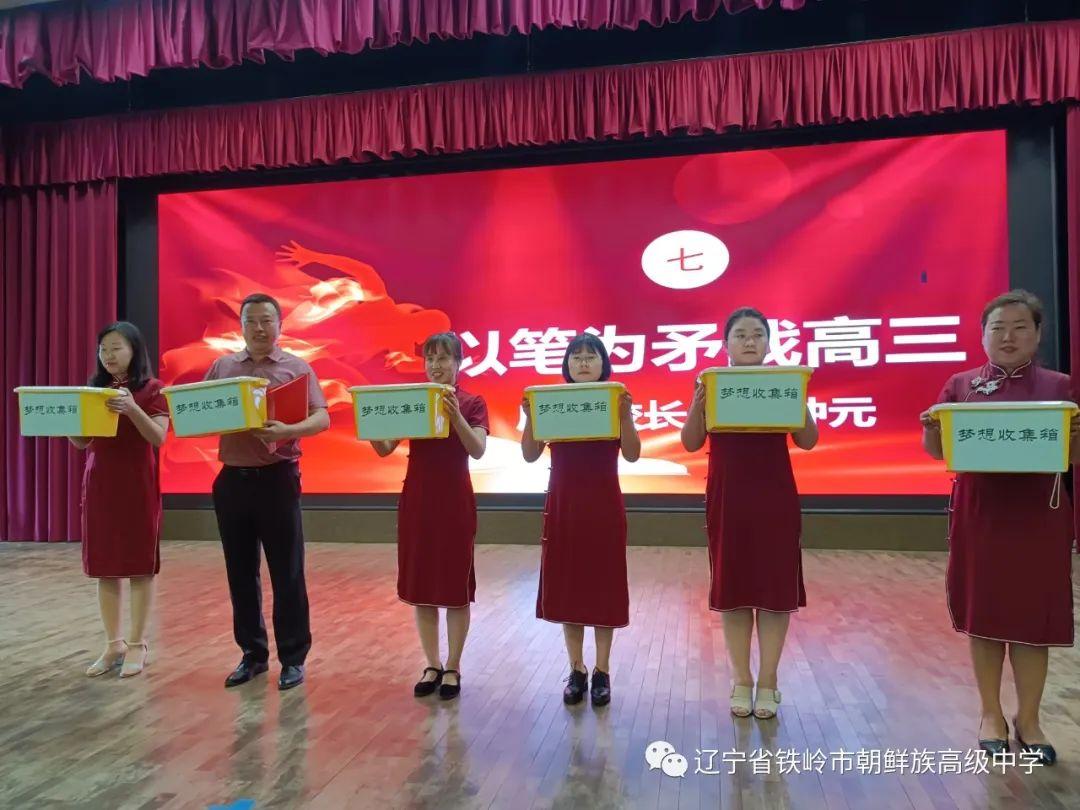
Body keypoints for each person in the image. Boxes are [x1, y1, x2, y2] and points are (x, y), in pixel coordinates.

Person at [920, 289, 1078, 765]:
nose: (1008, 337)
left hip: (1039, 516)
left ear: (1038, 333)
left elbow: (1073, 457)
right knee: (985, 616)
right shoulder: (961, 385)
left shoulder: (1060, 387)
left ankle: (1029, 719)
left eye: (1020, 327)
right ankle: (990, 714)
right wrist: (931, 429)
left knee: (1033, 621)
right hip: (981, 514)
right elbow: (938, 451)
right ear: (983, 335)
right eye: (998, 328)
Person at [681, 307, 818, 720]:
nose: (749, 341)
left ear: (769, 343)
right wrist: (697, 405)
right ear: (726, 344)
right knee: (734, 590)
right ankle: (742, 679)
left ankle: (769, 680)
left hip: (775, 496)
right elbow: (690, 443)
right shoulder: (712, 384)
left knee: (775, 592)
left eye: (758, 334)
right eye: (740, 334)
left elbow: (808, 440)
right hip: (729, 497)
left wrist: (798, 400)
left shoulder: (782, 382)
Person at [205, 292, 329, 691]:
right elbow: (198, 409)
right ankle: (252, 655)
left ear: (280, 325)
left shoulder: (296, 368)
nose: (259, 328)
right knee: (240, 573)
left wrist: (290, 430)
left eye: (266, 321)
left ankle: (292, 659)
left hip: (278, 479)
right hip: (232, 480)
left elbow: (322, 417)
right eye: (251, 321)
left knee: (287, 572)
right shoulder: (223, 367)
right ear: (241, 327)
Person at [521, 333, 640, 706]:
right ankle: (576, 669)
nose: (583, 362)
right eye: (576, 356)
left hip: (603, 505)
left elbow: (633, 453)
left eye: (591, 356)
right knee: (569, 588)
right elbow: (529, 455)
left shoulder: (614, 399)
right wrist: (530, 417)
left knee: (603, 587)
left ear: (604, 363)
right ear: (566, 364)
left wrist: (626, 417)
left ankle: (602, 670)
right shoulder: (552, 402)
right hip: (564, 505)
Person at [371, 332, 489, 700]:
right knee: (422, 588)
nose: (436, 366)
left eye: (444, 358)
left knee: (455, 588)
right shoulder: (413, 401)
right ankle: (432, 664)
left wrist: (455, 417)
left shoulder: (472, 402)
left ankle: (453, 666)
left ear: (459, 363)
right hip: (418, 500)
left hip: (454, 502)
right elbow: (384, 448)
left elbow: (478, 449)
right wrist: (370, 425)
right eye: (430, 359)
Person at [73, 322, 169, 678]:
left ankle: (137, 644)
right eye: (103, 349)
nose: (108, 355)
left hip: (137, 483)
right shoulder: (94, 390)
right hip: (100, 483)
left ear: (134, 350)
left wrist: (132, 409)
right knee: (105, 567)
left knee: (139, 566)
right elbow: (83, 441)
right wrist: (67, 419)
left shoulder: (152, 389)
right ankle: (113, 644)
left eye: (116, 348)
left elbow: (158, 437)